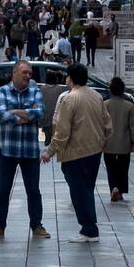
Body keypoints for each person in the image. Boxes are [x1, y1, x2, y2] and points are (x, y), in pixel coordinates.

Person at [42, 63, 112, 243]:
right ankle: (89, 227)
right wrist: (101, 141)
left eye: (67, 77)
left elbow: (62, 131)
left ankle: (89, 229)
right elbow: (108, 125)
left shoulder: (69, 99)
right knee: (87, 189)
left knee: (79, 191)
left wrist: (49, 151)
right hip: (95, 151)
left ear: (71, 78)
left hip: (75, 152)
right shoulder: (96, 96)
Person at [0, 61, 50, 241]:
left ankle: (37, 225)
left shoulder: (35, 91)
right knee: (3, 190)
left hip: (30, 151)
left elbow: (40, 112)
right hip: (7, 150)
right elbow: (2, 115)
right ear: (14, 73)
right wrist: (24, 116)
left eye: (30, 73)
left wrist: (15, 111)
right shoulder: (2, 92)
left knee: (33, 190)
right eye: (24, 72)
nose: (28, 76)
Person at [103, 76, 134, 200]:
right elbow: (132, 126)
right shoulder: (129, 106)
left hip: (108, 143)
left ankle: (113, 187)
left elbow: (102, 124)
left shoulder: (105, 104)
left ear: (111, 90)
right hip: (124, 143)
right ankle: (120, 190)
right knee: (123, 168)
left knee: (110, 168)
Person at [39, 75, 67, 147]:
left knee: (47, 134)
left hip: (46, 116)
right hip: (56, 117)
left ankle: (47, 142)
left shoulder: (42, 88)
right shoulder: (59, 89)